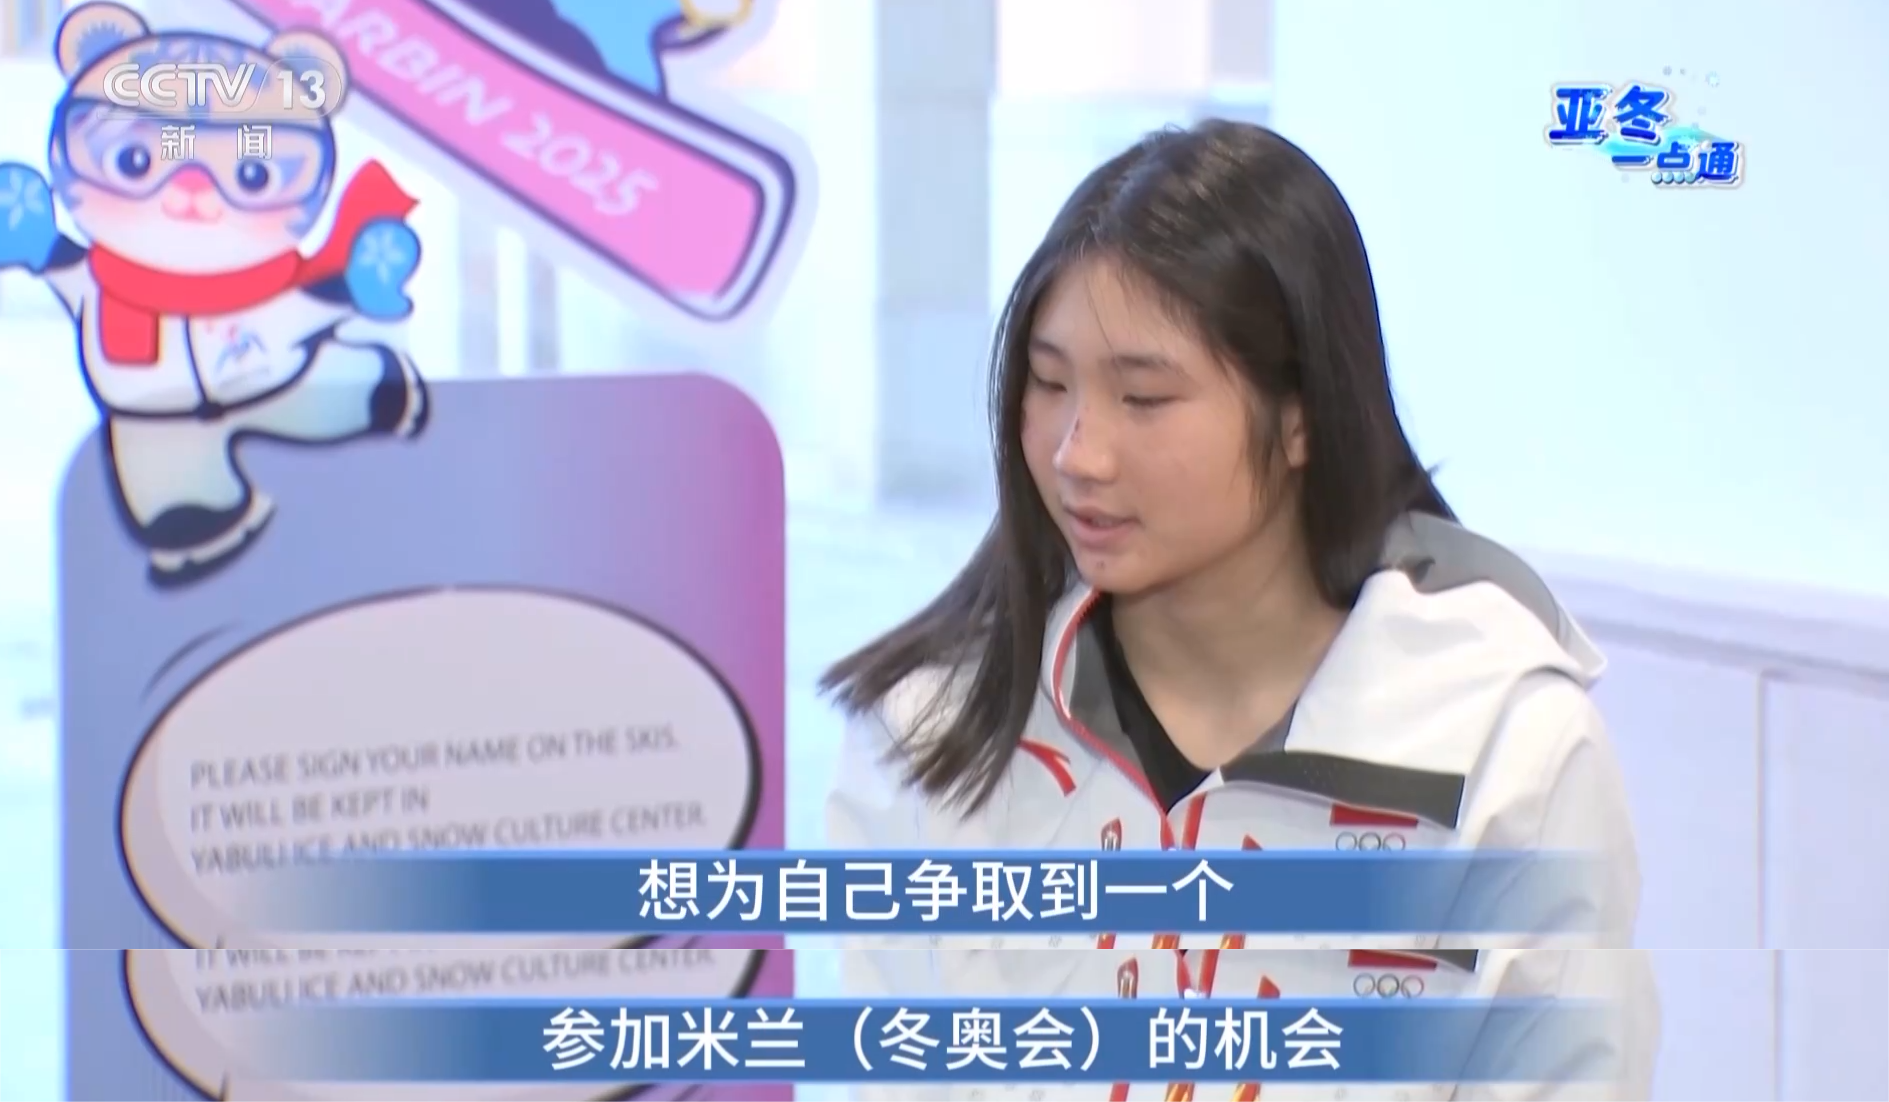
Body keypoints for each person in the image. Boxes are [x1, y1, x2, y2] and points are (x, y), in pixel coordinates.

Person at [822, 119, 1659, 1101]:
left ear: (1300, 416)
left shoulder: (1504, 747)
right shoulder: (929, 736)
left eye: (1142, 398)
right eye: (1048, 384)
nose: (1077, 453)